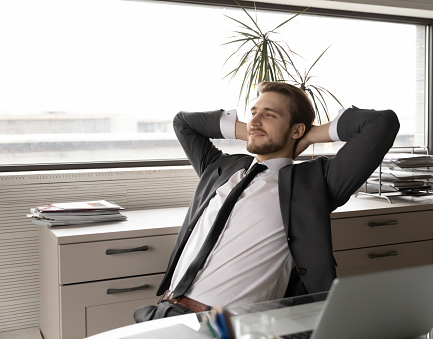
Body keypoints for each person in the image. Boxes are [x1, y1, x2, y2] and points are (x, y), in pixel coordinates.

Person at [134, 81, 400, 321]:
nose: (256, 120)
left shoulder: (314, 184)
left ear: (296, 129)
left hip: (221, 327)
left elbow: (382, 123)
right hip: (163, 313)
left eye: (270, 115)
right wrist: (253, 130)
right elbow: (184, 123)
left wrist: (308, 134)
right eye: (253, 112)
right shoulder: (221, 168)